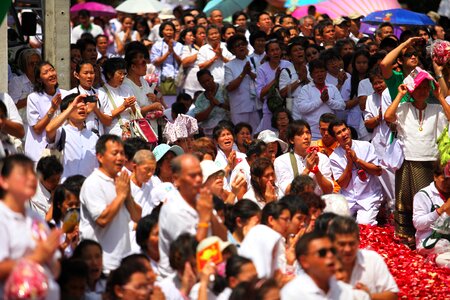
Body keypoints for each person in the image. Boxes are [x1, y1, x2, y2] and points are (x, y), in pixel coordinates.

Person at [385, 71, 450, 245]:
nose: (422, 91)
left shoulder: (436, 108)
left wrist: (441, 97)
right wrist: (400, 95)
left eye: (425, 88)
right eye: (418, 87)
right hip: (408, 160)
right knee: (407, 198)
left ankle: (432, 234)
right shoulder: (404, 108)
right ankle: (409, 236)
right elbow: (388, 117)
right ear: (412, 90)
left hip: (430, 160)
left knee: (428, 198)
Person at [0, 154, 61, 299]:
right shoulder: (2, 217)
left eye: (33, 173)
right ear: (4, 181)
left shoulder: (35, 217)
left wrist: (51, 256)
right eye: (23, 173)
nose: (32, 178)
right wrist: (36, 258)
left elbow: (56, 269)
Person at [79, 135, 142, 273]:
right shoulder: (93, 183)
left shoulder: (121, 182)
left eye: (122, 153)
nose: (120, 158)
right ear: (100, 157)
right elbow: (102, 219)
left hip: (123, 262)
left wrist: (127, 196)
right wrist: (120, 196)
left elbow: (137, 217)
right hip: (103, 268)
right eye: (115, 153)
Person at [158, 154, 226, 277]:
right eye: (192, 176)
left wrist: (209, 212)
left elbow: (223, 237)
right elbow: (189, 254)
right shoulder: (173, 210)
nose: (199, 179)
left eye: (200, 174)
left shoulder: (202, 200)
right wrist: (204, 218)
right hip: (182, 281)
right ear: (176, 179)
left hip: (208, 271)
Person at [281, 231, 369, 300]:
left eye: (332, 250)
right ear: (304, 261)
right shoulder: (292, 293)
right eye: (322, 253)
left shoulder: (346, 292)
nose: (330, 255)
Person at [328, 216, 399, 299]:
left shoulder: (372, 259)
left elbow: (393, 296)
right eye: (342, 244)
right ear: (331, 244)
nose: (348, 249)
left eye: (351, 243)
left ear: (358, 242)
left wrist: (369, 296)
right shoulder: (322, 265)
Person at [328, 119, 383, 225]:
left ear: (349, 130)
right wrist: (349, 163)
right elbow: (343, 184)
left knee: (363, 224)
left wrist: (357, 160)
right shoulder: (334, 157)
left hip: (369, 196)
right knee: (336, 224)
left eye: (344, 130)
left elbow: (378, 171)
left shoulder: (366, 146)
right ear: (335, 138)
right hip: (348, 198)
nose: (343, 134)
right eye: (339, 133)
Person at [45, 93, 99, 181]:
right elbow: (49, 129)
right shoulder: (61, 132)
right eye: (77, 104)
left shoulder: (94, 137)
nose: (82, 107)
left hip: (87, 190)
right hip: (66, 189)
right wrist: (72, 106)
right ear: (66, 111)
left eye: (84, 104)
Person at [274, 120, 334, 195]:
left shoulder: (322, 158)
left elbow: (329, 190)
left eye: (308, 133)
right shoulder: (281, 161)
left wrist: (316, 170)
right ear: (291, 140)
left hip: (318, 203)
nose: (306, 137)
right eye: (300, 134)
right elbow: (288, 191)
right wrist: (308, 169)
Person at [294, 59, 345, 140]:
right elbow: (302, 108)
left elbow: (342, 106)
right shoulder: (306, 89)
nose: (320, 75)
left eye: (322, 71)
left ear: (326, 73)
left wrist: (328, 101)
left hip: (331, 133)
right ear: (311, 74)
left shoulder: (332, 88)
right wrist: (320, 100)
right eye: (316, 72)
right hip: (312, 134)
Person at [25, 61, 65, 162]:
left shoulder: (64, 94)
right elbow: (37, 129)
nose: (51, 74)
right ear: (39, 79)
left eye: (52, 70)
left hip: (61, 150)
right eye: (46, 72)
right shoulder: (33, 98)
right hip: (39, 152)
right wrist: (52, 109)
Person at [413, 161, 450, 267]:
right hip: (430, 241)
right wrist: (441, 210)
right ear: (435, 177)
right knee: (443, 257)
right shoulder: (423, 195)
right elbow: (418, 224)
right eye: (445, 179)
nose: (448, 183)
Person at [65, 60, 112, 136]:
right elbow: (67, 119)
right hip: (79, 137)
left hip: (98, 138)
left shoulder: (101, 94)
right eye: (85, 73)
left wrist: (96, 110)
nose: (89, 76)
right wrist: (88, 110)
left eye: (92, 73)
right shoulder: (70, 95)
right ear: (77, 75)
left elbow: (108, 122)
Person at [256, 39, 293, 133]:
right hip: (270, 110)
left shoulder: (288, 64)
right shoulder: (262, 69)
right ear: (267, 53)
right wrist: (275, 79)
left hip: (287, 109)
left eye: (277, 49)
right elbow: (260, 94)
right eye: (272, 50)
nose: (275, 52)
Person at [97, 57, 140, 137]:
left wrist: (133, 106)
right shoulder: (101, 92)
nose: (123, 76)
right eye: (120, 73)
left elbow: (137, 113)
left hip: (131, 133)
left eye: (124, 74)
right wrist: (124, 106)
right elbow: (103, 117)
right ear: (109, 75)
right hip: (113, 135)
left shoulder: (127, 89)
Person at [225, 35, 259, 131]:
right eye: (237, 46)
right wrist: (243, 73)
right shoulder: (229, 66)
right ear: (232, 50)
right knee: (241, 135)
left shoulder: (254, 60)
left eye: (243, 44)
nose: (241, 47)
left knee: (255, 134)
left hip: (254, 106)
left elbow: (260, 80)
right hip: (239, 108)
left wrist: (250, 73)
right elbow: (229, 87)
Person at [380, 37, 422, 103]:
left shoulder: (424, 76)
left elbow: (443, 94)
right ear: (400, 61)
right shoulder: (395, 78)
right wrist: (404, 44)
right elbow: (384, 64)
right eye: (408, 55)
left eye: (415, 54)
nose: (413, 57)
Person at [8, 49, 41, 125]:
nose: (35, 66)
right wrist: (32, 97)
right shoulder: (17, 82)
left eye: (37, 63)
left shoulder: (43, 81)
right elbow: (12, 106)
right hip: (22, 125)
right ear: (24, 66)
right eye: (31, 64)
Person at [193, 69, 230, 136]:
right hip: (208, 132)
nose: (207, 84)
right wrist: (211, 106)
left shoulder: (224, 90)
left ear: (212, 77)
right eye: (203, 83)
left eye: (208, 80)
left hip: (226, 129)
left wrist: (220, 104)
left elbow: (234, 108)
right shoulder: (200, 98)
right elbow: (197, 118)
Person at [181, 25, 206, 97]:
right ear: (195, 36)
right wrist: (201, 51)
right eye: (200, 33)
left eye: (204, 33)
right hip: (191, 86)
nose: (203, 35)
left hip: (206, 84)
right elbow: (185, 62)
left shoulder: (210, 47)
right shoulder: (188, 48)